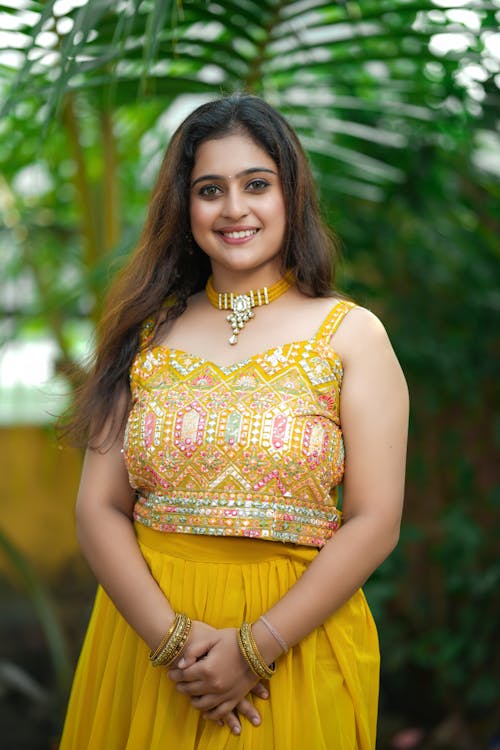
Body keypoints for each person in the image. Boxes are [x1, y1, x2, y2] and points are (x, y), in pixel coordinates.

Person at [59, 93, 409, 750]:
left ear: (290, 195)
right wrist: (173, 644)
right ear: (184, 206)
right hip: (148, 645)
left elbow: (374, 521)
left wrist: (255, 649)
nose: (234, 209)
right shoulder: (143, 333)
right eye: (209, 189)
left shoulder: (353, 337)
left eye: (257, 184)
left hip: (293, 649)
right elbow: (98, 509)